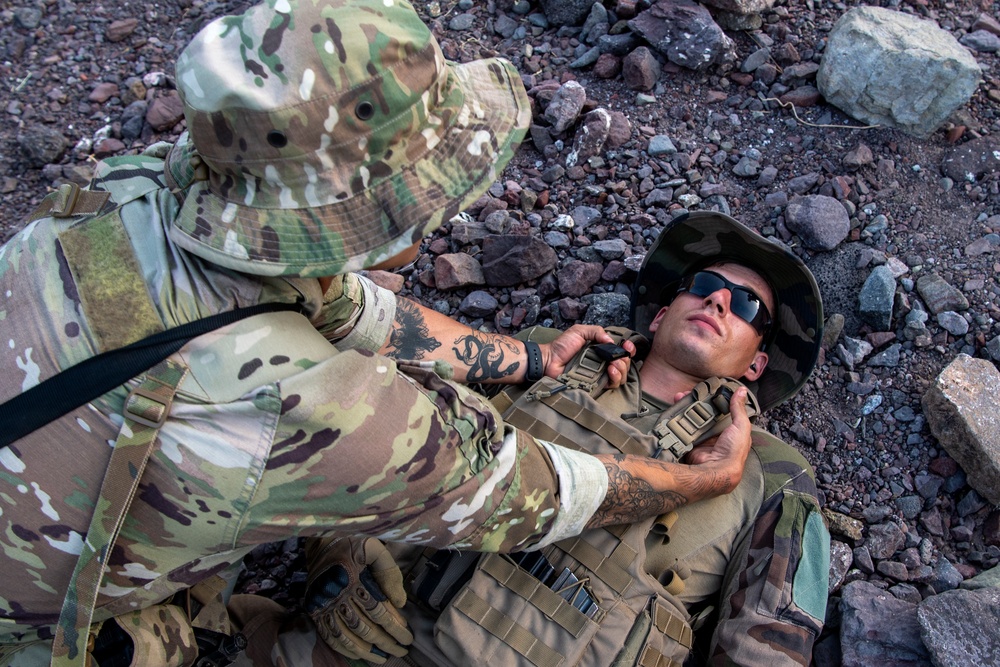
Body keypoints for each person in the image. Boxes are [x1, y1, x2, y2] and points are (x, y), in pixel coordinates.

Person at [0, 1, 757, 665]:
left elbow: (345, 307)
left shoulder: (133, 190)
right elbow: (531, 491)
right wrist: (708, 480)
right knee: (160, 634)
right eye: (429, 187)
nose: (446, 211)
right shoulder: (305, 407)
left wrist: (527, 356)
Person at [324, 212, 832, 667]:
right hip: (376, 637)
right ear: (660, 315)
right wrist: (332, 550)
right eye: (703, 284)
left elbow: (769, 645)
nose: (717, 299)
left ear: (756, 365)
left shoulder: (777, 476)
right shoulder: (551, 356)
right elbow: (373, 416)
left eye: (746, 305)